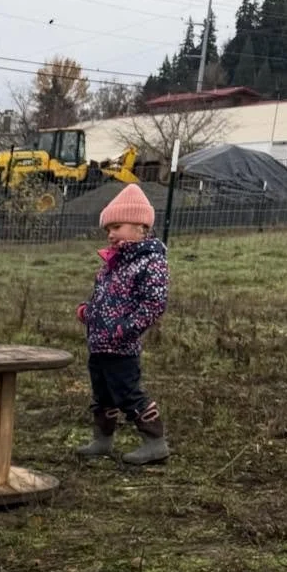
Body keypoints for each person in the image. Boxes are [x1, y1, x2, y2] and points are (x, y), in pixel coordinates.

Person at [75, 185, 170, 465]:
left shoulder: (151, 262)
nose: (111, 234)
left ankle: (155, 442)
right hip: (99, 343)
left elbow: (154, 303)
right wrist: (88, 312)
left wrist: (124, 330)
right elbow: (105, 299)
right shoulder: (113, 263)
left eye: (116, 226)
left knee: (128, 394)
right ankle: (102, 440)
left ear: (141, 227)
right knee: (102, 395)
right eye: (108, 229)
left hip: (122, 346)